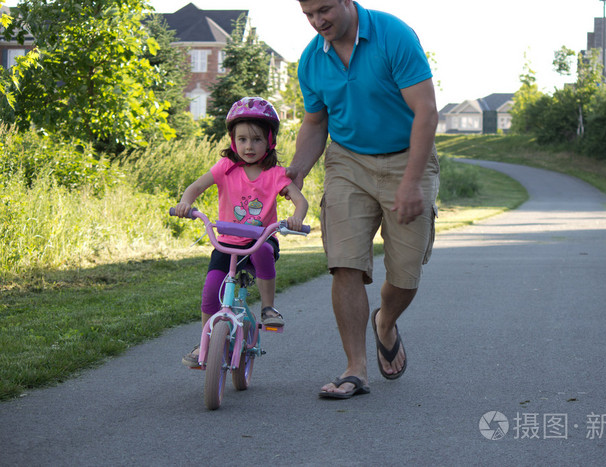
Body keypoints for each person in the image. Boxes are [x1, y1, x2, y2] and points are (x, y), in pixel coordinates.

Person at [286, 0, 439, 398]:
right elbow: (315, 123)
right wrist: (297, 170)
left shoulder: (393, 36)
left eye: (324, 10)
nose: (317, 21)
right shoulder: (311, 60)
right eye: (308, 14)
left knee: (405, 274)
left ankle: (385, 321)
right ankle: (356, 368)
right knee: (344, 263)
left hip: (407, 156)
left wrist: (410, 181)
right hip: (347, 161)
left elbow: (425, 112)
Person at [175, 97, 308, 367]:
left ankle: (268, 307)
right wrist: (186, 203)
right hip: (226, 243)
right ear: (233, 140)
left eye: (257, 139)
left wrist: (295, 218)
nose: (249, 146)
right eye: (243, 139)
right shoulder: (226, 168)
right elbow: (196, 187)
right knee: (211, 290)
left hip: (260, 240)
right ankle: (207, 340)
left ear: (270, 141)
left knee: (261, 250)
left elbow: (300, 201)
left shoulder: (275, 174)